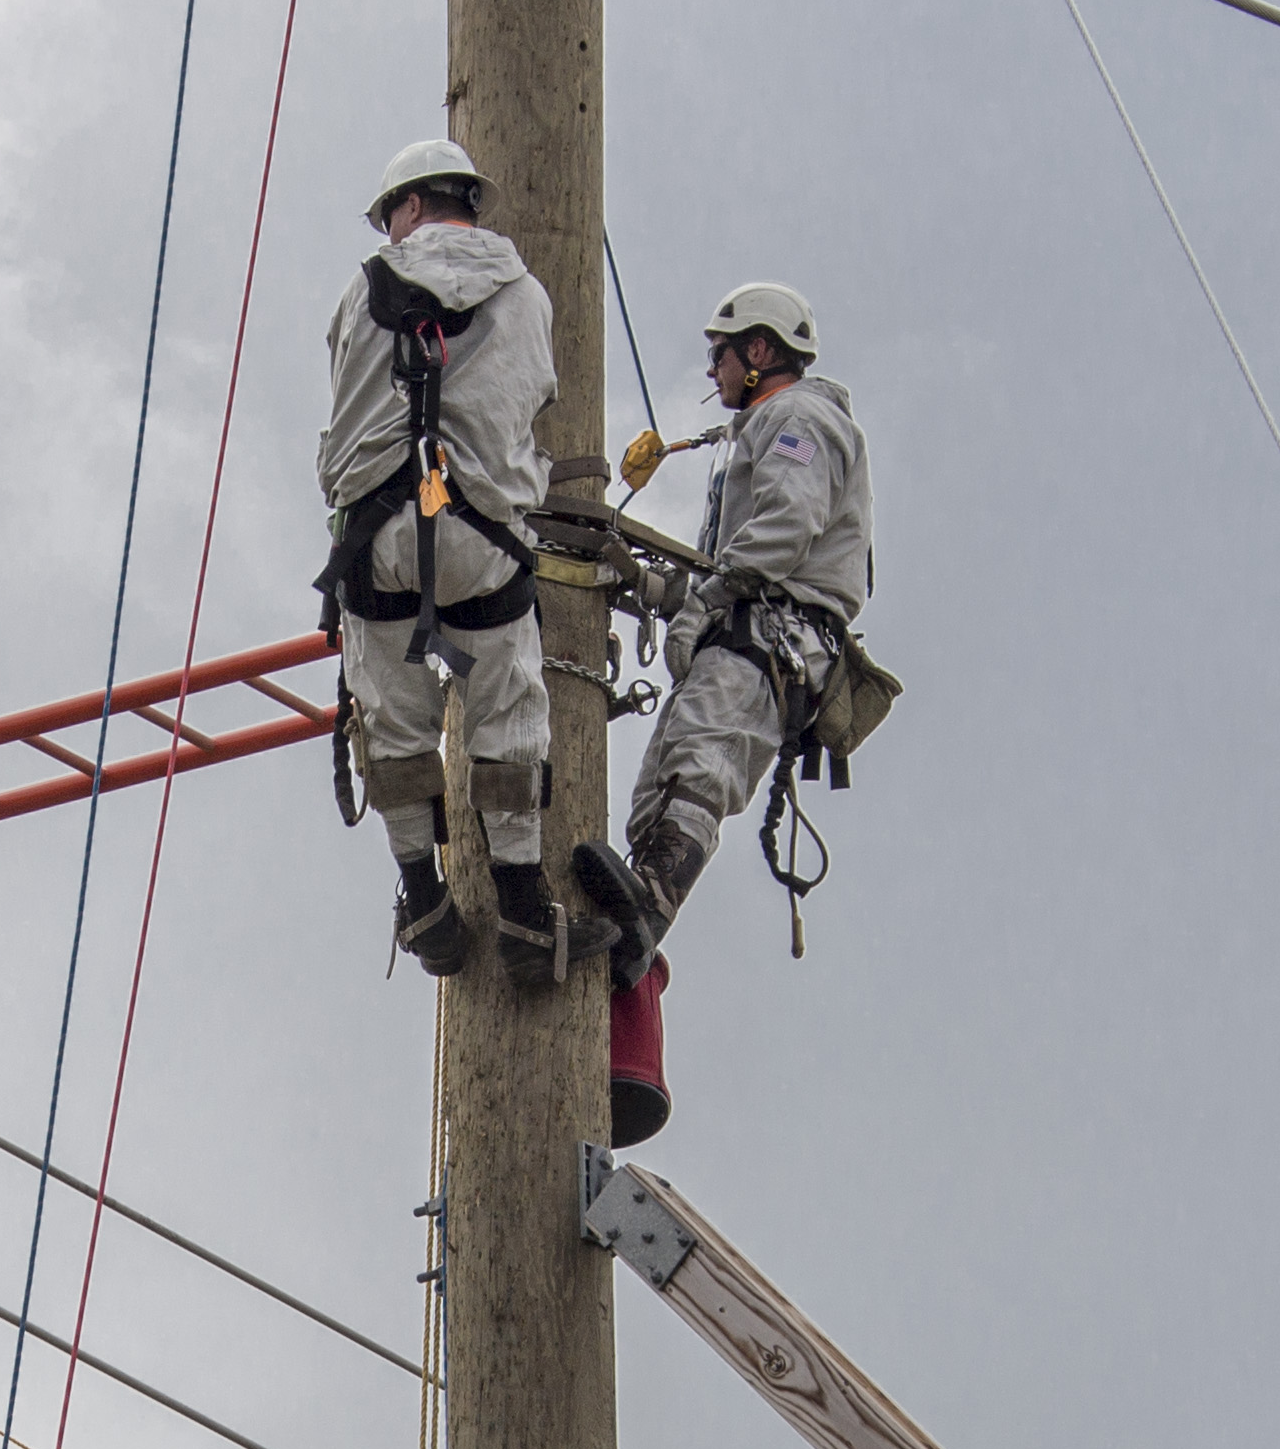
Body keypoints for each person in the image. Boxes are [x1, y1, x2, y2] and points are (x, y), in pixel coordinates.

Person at [320, 136, 568, 981]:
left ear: (414, 205)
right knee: (508, 712)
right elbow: (529, 400)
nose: (390, 234)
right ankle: (526, 906)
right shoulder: (528, 294)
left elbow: (345, 416)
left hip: (377, 540)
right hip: (483, 543)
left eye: (392, 217)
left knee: (390, 716)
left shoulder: (362, 290)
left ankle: (422, 895)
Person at [609, 280, 871, 941]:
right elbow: (730, 563)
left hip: (770, 641)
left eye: (720, 353)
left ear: (760, 349)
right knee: (662, 791)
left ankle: (647, 909)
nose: (710, 369)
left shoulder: (800, 420)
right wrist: (652, 585)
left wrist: (708, 597)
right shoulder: (759, 431)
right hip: (744, 633)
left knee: (701, 763)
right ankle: (630, 927)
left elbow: (787, 525)